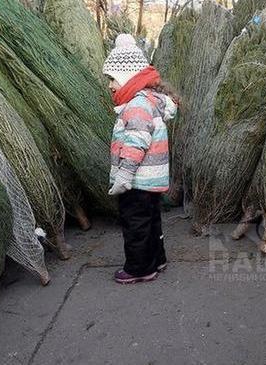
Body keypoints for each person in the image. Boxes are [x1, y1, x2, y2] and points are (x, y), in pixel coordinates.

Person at [103, 34, 178, 284]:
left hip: (137, 181)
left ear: (128, 78)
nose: (110, 85)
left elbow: (136, 144)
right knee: (151, 222)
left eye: (113, 78)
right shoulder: (148, 102)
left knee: (135, 225)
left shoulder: (136, 106)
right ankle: (157, 259)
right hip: (151, 181)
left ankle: (139, 268)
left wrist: (124, 176)